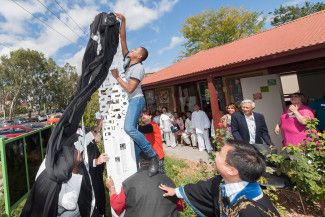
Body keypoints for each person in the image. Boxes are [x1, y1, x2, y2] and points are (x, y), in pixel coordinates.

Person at [159, 139, 280, 217]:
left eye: (220, 153)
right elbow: (200, 189)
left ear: (231, 170)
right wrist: (176, 191)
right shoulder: (222, 182)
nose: (216, 154)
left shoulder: (253, 211)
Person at [111, 12, 159, 176]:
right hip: (132, 100)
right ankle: (140, 159)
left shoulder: (138, 68)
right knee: (134, 131)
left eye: (136, 50)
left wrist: (117, 77)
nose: (132, 49)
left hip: (137, 100)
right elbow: (122, 39)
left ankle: (154, 157)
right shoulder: (128, 62)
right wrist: (123, 20)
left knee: (129, 128)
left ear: (139, 56)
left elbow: (130, 89)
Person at [106, 154, 184, 217]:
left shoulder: (129, 182)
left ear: (139, 164)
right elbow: (180, 206)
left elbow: (117, 207)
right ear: (157, 163)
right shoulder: (169, 181)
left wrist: (111, 188)